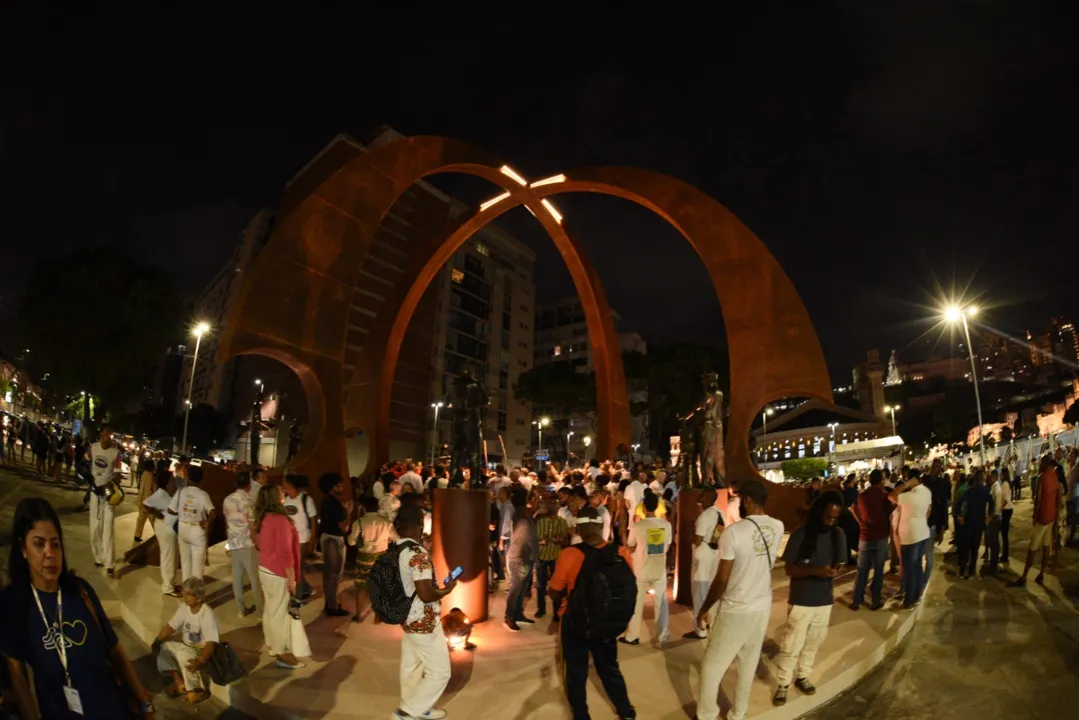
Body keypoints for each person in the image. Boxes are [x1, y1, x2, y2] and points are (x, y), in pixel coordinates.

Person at [0, 497, 155, 718]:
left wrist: (143, 701)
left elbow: (115, 650)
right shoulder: (13, 604)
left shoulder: (80, 591)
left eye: (55, 544)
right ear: (22, 549)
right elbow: (19, 680)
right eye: (38, 543)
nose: (50, 553)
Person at [695, 479, 783, 720]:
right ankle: (738, 713)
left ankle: (706, 714)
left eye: (739, 499)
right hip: (761, 604)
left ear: (747, 500)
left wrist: (704, 608)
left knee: (712, 666)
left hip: (736, 607)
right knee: (748, 661)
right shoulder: (777, 526)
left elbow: (721, 580)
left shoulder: (733, 532)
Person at [548, 506, 636, 720]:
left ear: (579, 527)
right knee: (609, 668)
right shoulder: (621, 553)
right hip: (607, 622)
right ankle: (626, 710)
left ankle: (581, 715)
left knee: (576, 672)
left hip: (576, 623)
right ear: (600, 525)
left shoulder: (569, 554)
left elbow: (555, 591)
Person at [773, 492, 844, 706]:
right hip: (802, 599)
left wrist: (836, 569)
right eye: (828, 517)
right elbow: (789, 569)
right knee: (791, 645)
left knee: (813, 642)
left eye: (834, 518)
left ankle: (803, 676)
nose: (830, 521)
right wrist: (816, 571)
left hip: (824, 600)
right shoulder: (801, 534)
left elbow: (841, 562)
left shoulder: (837, 533)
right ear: (819, 511)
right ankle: (783, 683)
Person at [392, 505, 456, 720]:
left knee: (412, 666)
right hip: (423, 619)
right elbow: (426, 594)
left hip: (406, 617)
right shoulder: (417, 554)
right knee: (440, 672)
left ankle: (417, 706)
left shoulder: (396, 549)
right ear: (420, 524)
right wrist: (447, 589)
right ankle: (407, 713)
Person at [254, 482, 306, 669]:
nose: (283, 493)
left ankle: (272, 645)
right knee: (278, 613)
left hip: (265, 568)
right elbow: (285, 552)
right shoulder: (280, 520)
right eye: (280, 492)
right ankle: (281, 653)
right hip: (277, 572)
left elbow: (260, 544)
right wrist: (291, 577)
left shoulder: (264, 518)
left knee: (271, 610)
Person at [151, 577, 219, 704]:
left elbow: (211, 643)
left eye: (188, 595)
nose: (185, 597)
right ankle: (179, 683)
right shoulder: (184, 608)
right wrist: (158, 640)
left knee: (184, 655)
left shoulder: (207, 614)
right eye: (184, 593)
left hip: (201, 651)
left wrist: (200, 661)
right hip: (186, 646)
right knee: (162, 648)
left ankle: (197, 690)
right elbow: (171, 627)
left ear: (199, 598)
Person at [622, 490, 672, 645]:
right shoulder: (666, 525)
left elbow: (630, 546)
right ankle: (662, 634)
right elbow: (668, 545)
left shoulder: (638, 526)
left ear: (643, 508)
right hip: (659, 569)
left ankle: (632, 636)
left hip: (641, 569)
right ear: (657, 507)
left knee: (637, 602)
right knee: (661, 602)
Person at [1009, 455, 1065, 587]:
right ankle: (1041, 573)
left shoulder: (1042, 477)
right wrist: (1056, 517)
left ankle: (1024, 576)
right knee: (1046, 545)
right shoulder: (1054, 476)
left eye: (1041, 463)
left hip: (1042, 517)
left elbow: (1038, 499)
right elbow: (1059, 497)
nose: (1039, 465)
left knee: (1033, 547)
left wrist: (1035, 516)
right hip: (1051, 516)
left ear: (1044, 464)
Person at [849, 469, 891, 611]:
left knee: (862, 570)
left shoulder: (862, 496)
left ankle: (856, 600)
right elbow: (889, 512)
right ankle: (875, 601)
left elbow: (853, 508)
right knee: (878, 571)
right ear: (881, 480)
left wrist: (861, 523)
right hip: (880, 536)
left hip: (865, 537)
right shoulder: (884, 495)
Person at [348, 496, 395, 623]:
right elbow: (396, 538)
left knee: (361, 588)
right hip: (381, 558)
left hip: (364, 558)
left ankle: (359, 616)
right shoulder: (386, 522)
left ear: (363, 508)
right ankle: (378, 616)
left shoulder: (359, 522)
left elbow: (351, 542)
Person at [684, 487, 722, 640]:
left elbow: (698, 540)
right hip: (715, 554)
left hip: (703, 555)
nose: (699, 496)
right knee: (712, 590)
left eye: (702, 495)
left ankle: (700, 629)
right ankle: (712, 623)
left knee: (699, 591)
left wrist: (689, 536)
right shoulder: (720, 513)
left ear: (707, 497)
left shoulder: (705, 516)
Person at [889, 469, 931, 607]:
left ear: (912, 479)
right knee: (917, 566)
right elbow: (929, 510)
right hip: (922, 533)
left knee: (910, 569)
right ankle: (917, 595)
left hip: (910, 537)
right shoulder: (927, 491)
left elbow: (891, 496)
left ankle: (910, 600)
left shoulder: (910, 495)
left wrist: (906, 485)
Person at [223, 470, 262, 616]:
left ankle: (241, 610)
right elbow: (253, 525)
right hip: (248, 543)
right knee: (254, 578)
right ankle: (259, 610)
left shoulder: (227, 499)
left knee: (237, 578)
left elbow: (227, 521)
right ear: (248, 484)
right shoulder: (250, 501)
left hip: (233, 542)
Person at [168, 465, 215, 582]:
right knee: (197, 568)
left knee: (185, 564)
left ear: (188, 478)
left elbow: (170, 510)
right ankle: (196, 596)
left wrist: (183, 512)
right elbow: (213, 513)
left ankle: (187, 593)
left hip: (183, 528)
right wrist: (206, 522)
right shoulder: (203, 494)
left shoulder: (181, 491)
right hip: (197, 530)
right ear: (201, 479)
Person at [87, 424, 122, 577]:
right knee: (94, 526)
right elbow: (85, 462)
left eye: (111, 433)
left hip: (108, 494)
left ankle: (109, 564)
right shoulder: (93, 448)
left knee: (108, 528)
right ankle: (98, 557)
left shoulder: (116, 454)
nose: (109, 435)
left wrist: (108, 485)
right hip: (95, 492)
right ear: (101, 433)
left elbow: (118, 475)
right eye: (106, 432)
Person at [318, 472, 354, 617]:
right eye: (338, 485)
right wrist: (348, 513)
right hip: (334, 540)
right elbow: (344, 528)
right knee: (334, 574)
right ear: (331, 487)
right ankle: (332, 606)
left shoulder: (326, 501)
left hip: (326, 537)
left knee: (328, 574)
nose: (342, 487)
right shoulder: (335, 504)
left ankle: (329, 603)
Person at [504, 486, 539, 631]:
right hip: (520, 557)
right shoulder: (522, 517)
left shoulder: (522, 515)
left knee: (521, 589)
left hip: (524, 557)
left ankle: (517, 613)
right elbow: (527, 538)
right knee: (516, 589)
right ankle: (510, 616)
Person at [143, 472, 181, 596]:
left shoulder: (168, 494)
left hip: (170, 528)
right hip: (165, 528)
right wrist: (156, 514)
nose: (174, 483)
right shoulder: (160, 494)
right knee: (168, 557)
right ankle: (168, 587)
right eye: (172, 481)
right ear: (166, 483)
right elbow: (146, 504)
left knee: (172, 556)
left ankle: (171, 583)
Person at [282, 473, 319, 599]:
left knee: (297, 567)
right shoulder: (285, 499)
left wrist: (312, 542)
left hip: (302, 539)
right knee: (292, 567)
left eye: (285, 483)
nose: (283, 485)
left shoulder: (306, 500)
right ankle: (306, 588)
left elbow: (313, 521)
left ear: (292, 485)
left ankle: (298, 596)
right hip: (288, 539)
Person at [534, 492, 569, 619]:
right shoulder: (540, 521)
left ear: (559, 506)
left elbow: (566, 541)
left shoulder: (562, 522)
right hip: (541, 556)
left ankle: (556, 612)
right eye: (550, 504)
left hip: (555, 556)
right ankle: (541, 609)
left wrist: (559, 540)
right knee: (540, 585)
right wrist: (541, 541)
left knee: (557, 585)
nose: (552, 506)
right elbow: (534, 540)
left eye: (555, 504)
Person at [956, 469, 991, 579]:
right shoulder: (985, 491)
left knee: (965, 547)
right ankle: (971, 571)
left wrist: (960, 516)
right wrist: (988, 516)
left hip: (968, 522)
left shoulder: (969, 490)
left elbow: (959, 503)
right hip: (979, 523)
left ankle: (962, 570)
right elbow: (992, 503)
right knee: (974, 549)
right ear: (982, 478)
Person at [133, 458, 157, 544]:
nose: (155, 467)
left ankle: (137, 535)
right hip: (147, 502)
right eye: (154, 465)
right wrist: (149, 503)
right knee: (154, 520)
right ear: (151, 467)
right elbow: (148, 490)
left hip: (142, 500)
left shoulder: (144, 474)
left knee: (141, 519)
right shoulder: (150, 475)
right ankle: (158, 536)